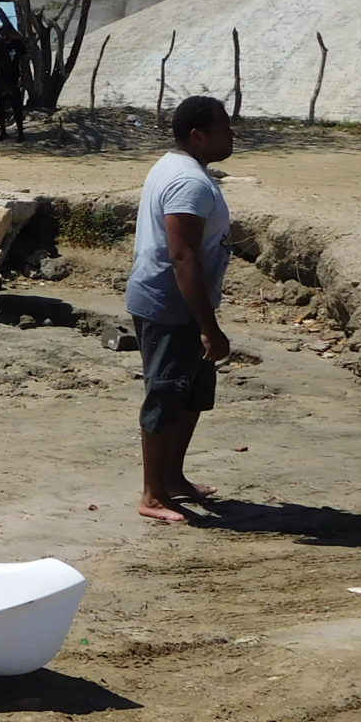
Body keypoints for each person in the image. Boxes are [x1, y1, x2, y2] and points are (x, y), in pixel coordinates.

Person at [125, 96, 235, 524]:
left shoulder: (180, 168)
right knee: (166, 395)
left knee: (191, 394)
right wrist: (209, 325)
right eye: (224, 127)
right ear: (198, 135)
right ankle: (152, 495)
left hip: (184, 303)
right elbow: (183, 256)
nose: (232, 134)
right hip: (171, 305)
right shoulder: (188, 182)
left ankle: (173, 478)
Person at [0, 26, 28, 142]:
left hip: (13, 78)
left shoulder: (18, 45)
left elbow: (23, 63)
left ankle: (20, 132)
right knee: (0, 107)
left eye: (6, 32)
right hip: (0, 79)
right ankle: (3, 132)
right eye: (2, 33)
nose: (4, 35)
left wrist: (23, 78)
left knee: (16, 106)